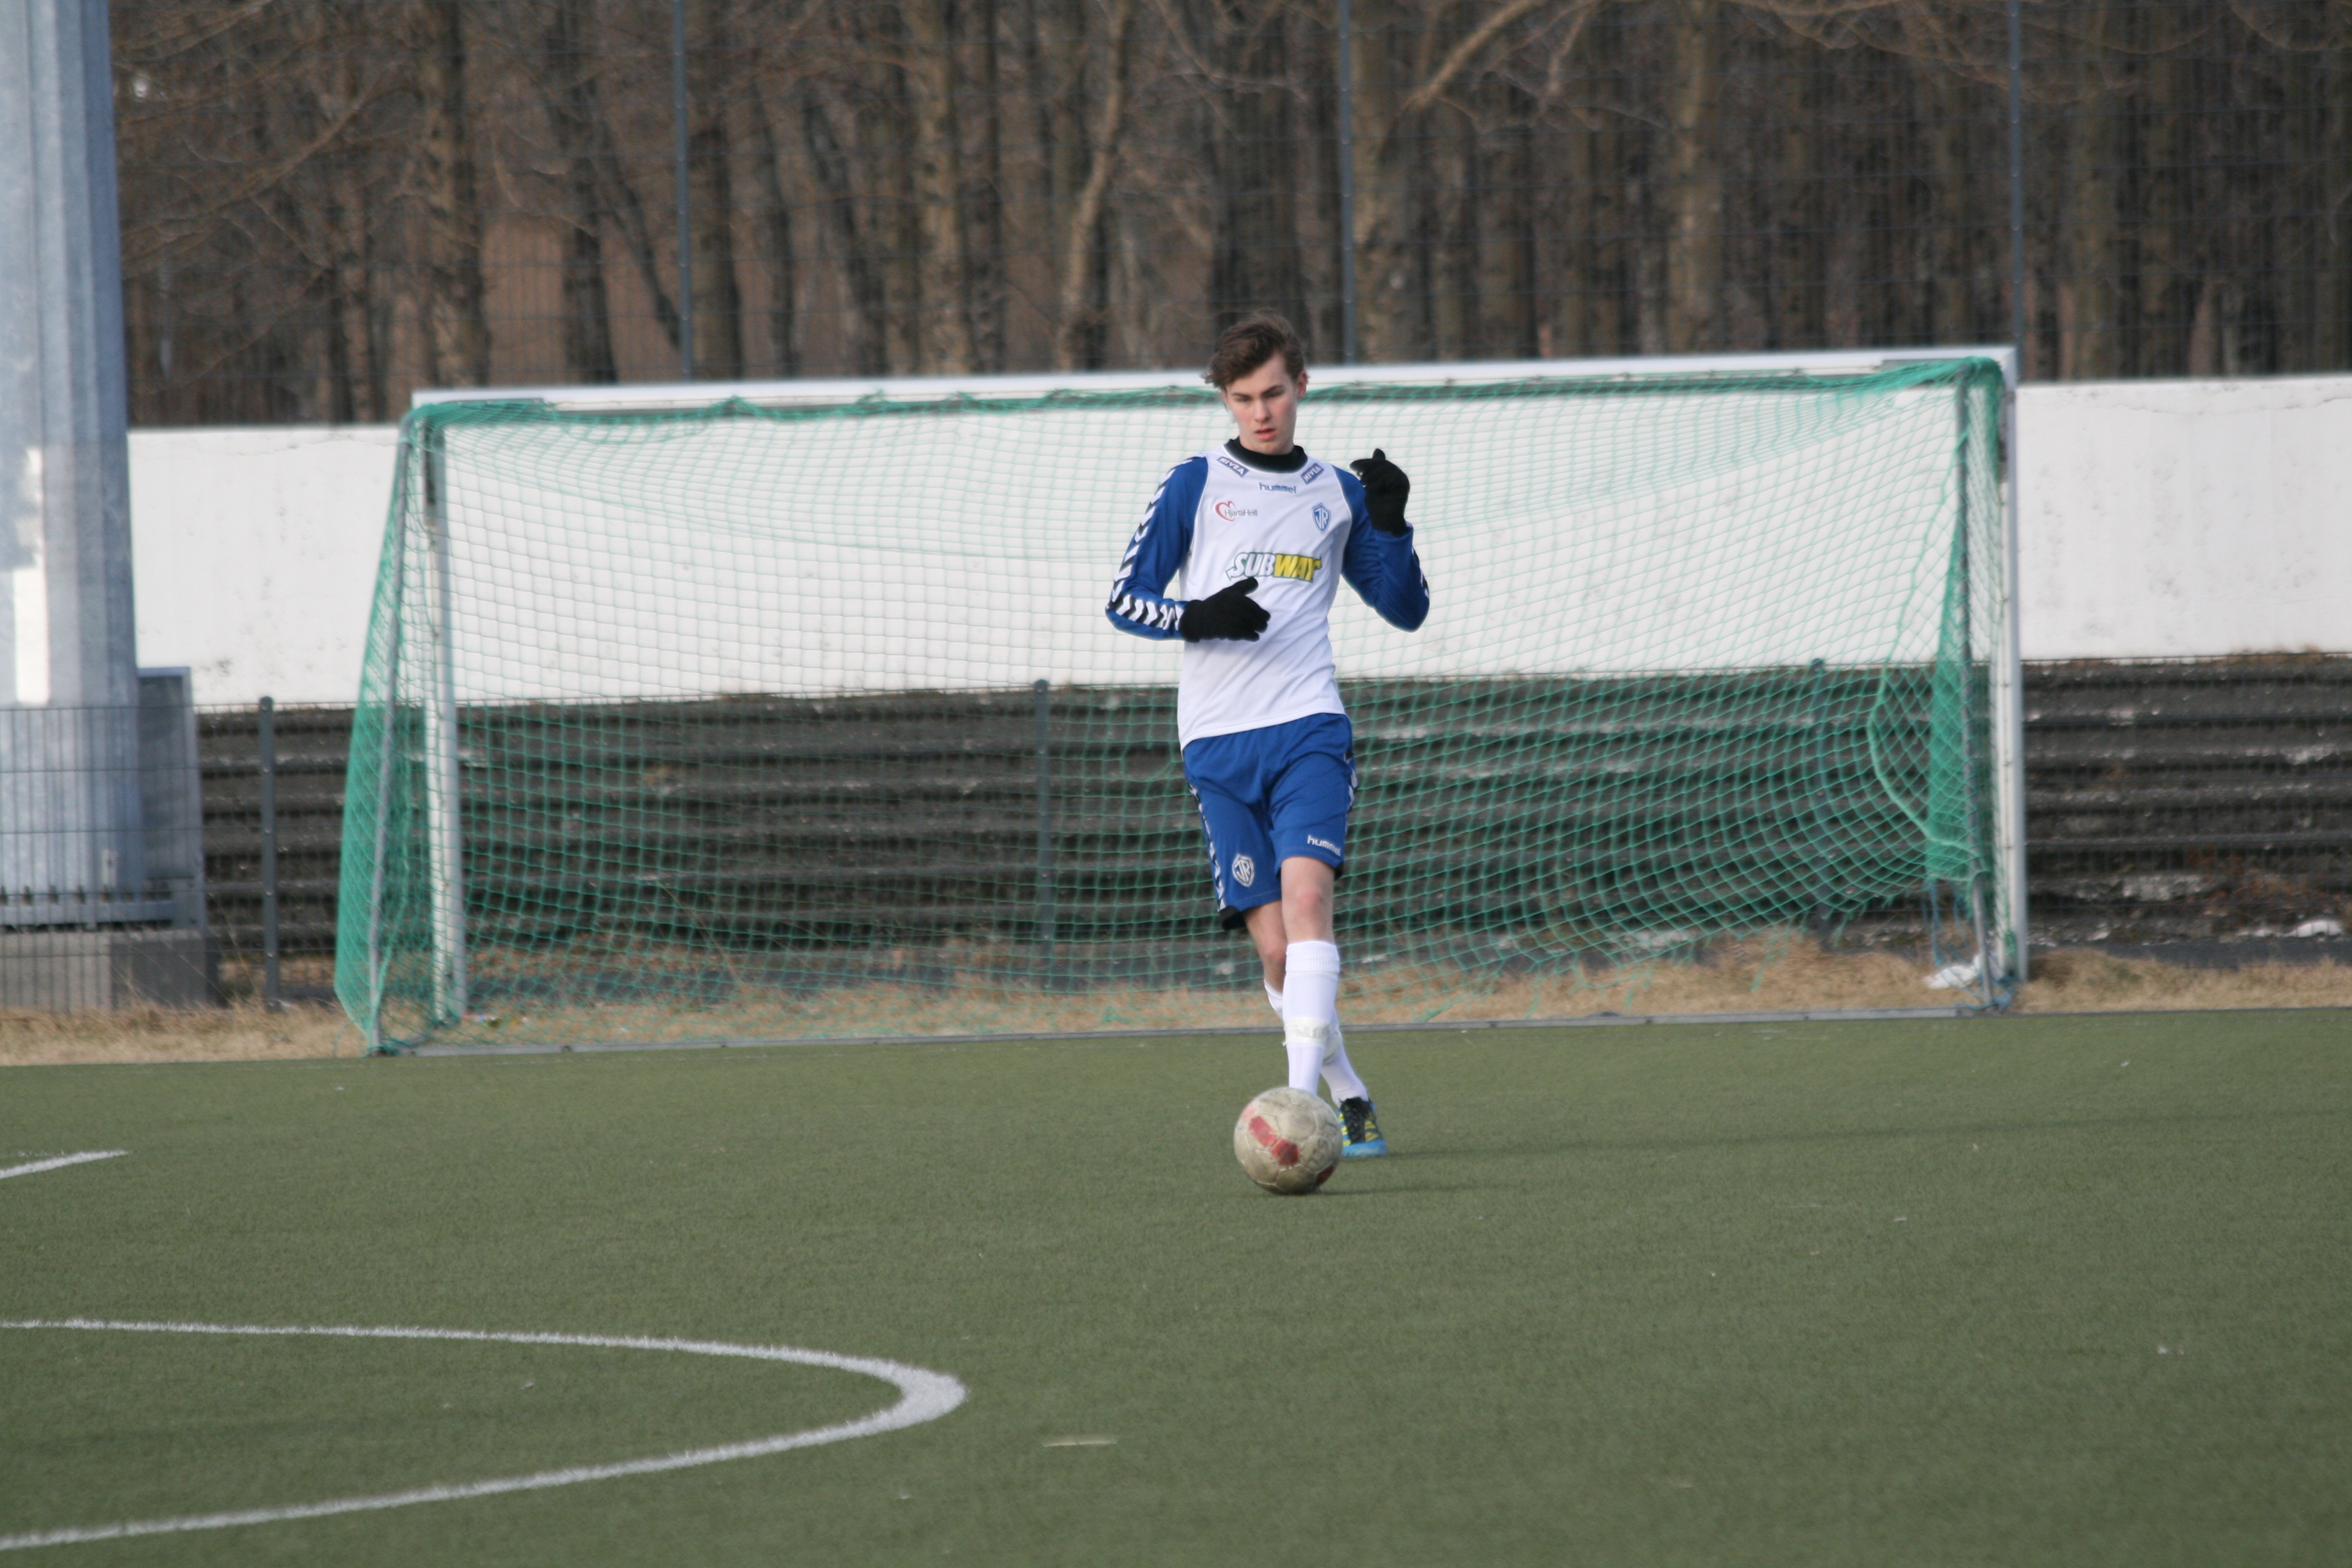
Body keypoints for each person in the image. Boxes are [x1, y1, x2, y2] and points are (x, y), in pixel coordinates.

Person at [1103, 312, 1429, 1157]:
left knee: (1310, 903)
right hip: (1217, 742)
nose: (1261, 412)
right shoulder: (1195, 482)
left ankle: (1297, 1110)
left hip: (1308, 727)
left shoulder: (1338, 493)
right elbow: (1125, 601)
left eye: (1274, 394)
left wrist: (1393, 524)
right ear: (1226, 399)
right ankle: (1348, 1092)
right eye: (1244, 398)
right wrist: (1197, 615)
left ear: (1301, 387)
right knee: (1279, 952)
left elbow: (1406, 610)